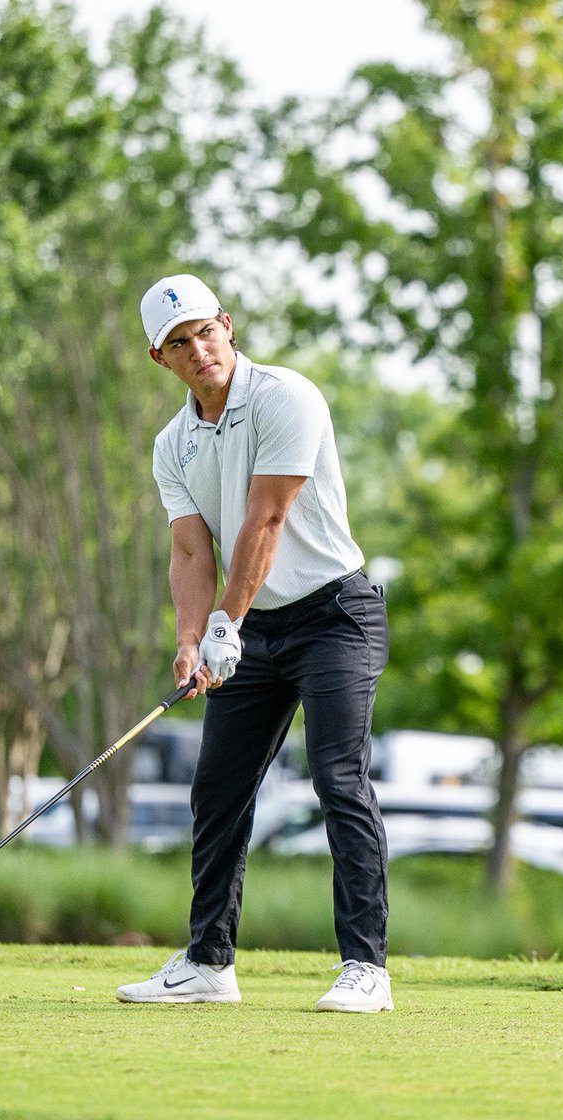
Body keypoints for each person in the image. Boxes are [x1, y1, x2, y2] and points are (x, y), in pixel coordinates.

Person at [115, 274, 392, 1013]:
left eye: (205, 331)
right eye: (179, 342)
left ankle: (366, 967)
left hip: (335, 615)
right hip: (251, 628)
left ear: (228, 325)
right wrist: (188, 640)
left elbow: (264, 523)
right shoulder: (172, 444)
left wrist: (222, 627)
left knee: (338, 778)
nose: (197, 348)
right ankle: (208, 963)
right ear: (159, 358)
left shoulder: (285, 397)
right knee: (218, 789)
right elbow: (189, 553)